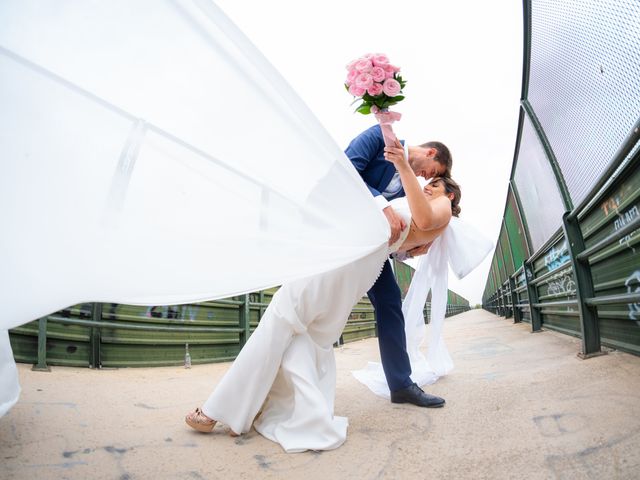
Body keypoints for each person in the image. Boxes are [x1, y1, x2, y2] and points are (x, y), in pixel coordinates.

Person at [185, 149, 461, 452]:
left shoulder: (441, 208)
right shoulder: (418, 202)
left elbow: (420, 218)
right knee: (308, 334)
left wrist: (404, 168)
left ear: (449, 195)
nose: (426, 184)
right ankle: (285, 410)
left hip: (350, 258)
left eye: (435, 184)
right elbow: (400, 234)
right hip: (360, 259)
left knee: (283, 315)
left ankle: (220, 409)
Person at [345, 125, 452, 406]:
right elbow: (344, 173)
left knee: (390, 301)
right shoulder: (378, 137)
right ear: (430, 152)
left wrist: (409, 249)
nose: (427, 179)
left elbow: (396, 227)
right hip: (337, 235)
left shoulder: (408, 183)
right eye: (433, 171)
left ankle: (401, 384)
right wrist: (383, 205)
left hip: (372, 249)